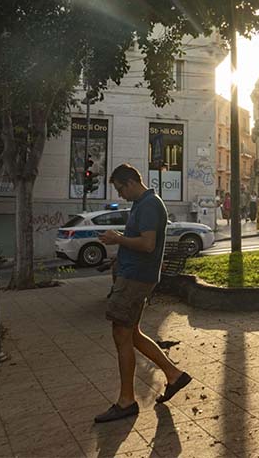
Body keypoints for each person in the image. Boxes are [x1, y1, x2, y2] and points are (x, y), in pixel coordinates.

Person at [94, 164, 191, 423]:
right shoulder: (142, 203)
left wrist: (117, 239)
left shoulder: (149, 205)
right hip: (133, 275)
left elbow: (147, 244)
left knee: (121, 333)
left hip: (136, 279)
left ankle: (126, 401)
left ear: (129, 183)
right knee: (133, 334)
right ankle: (174, 375)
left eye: (119, 189)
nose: (120, 195)